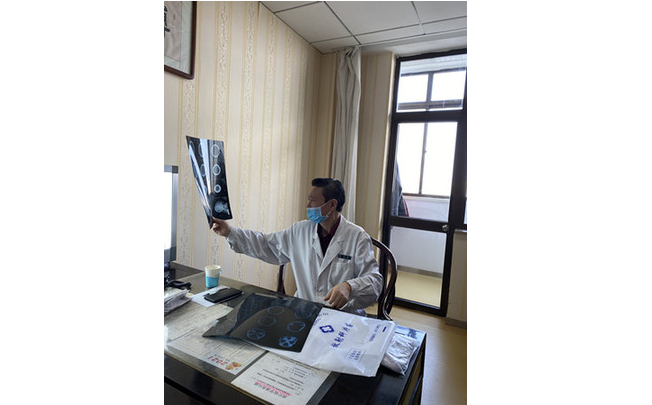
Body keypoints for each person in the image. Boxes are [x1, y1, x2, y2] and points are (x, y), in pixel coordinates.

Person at [211, 178, 383, 316]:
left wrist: (349, 287)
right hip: (304, 313)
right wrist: (230, 232)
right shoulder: (299, 231)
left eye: (313, 201)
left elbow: (375, 281)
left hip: (343, 317)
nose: (308, 206)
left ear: (332, 204)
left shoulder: (357, 237)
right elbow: (265, 244)